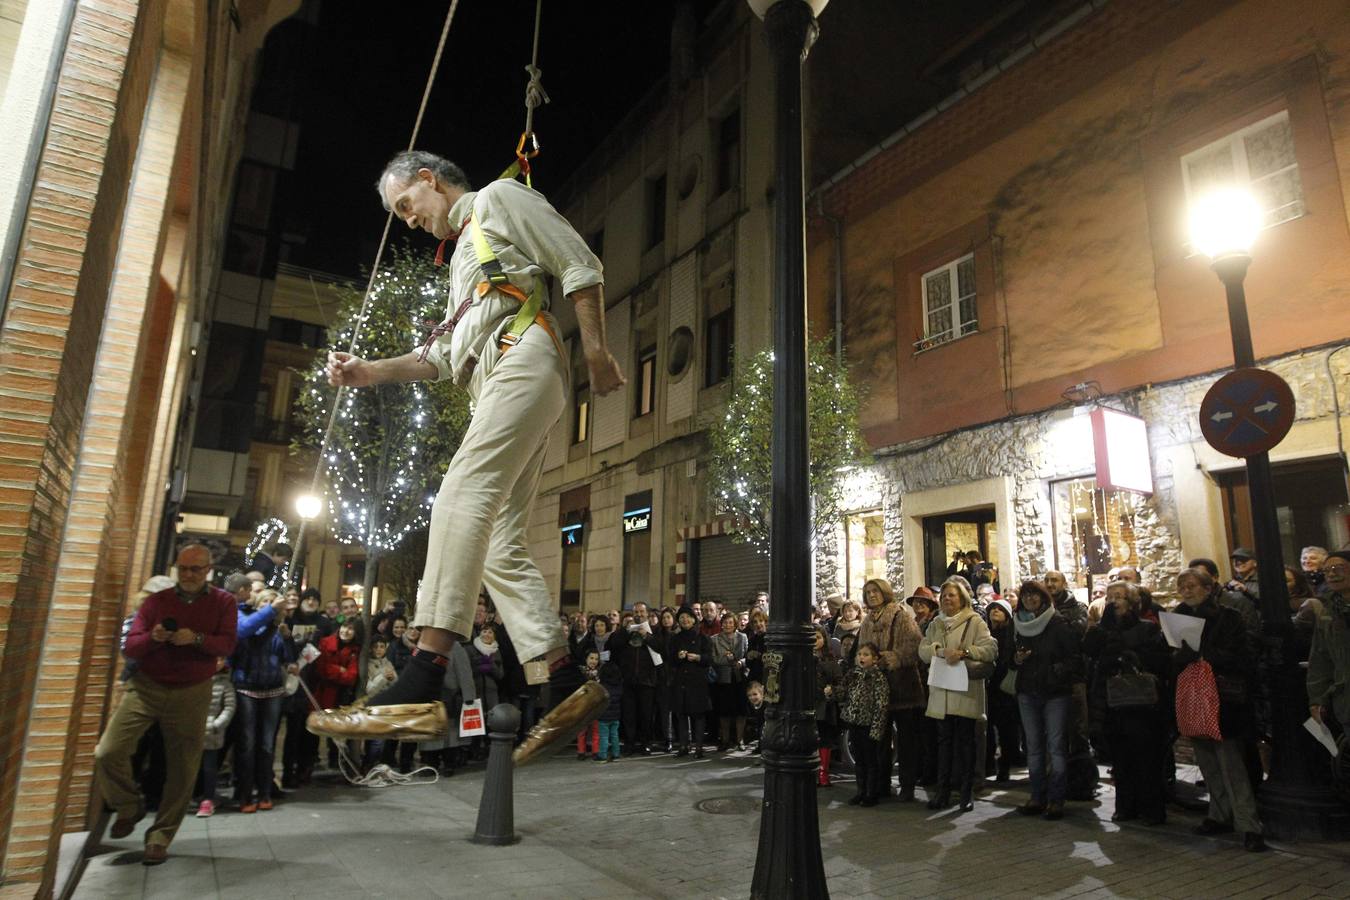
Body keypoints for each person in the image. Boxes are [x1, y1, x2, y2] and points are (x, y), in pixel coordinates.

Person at [309, 150, 624, 762]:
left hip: (521, 358)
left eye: (406, 204)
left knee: (460, 495)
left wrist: (598, 351)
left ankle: (423, 676)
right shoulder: (462, 260)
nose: (408, 219)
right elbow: (444, 358)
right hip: (496, 377)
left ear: (429, 180)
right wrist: (369, 372)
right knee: (500, 543)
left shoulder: (497, 201)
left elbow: (579, 262)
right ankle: (563, 680)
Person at [95, 545, 238, 865]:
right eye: (183, 568)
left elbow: (227, 643)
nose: (188, 575)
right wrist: (154, 637)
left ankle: (160, 837)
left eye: (196, 569)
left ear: (208, 571)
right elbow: (131, 646)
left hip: (192, 690)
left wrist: (196, 639)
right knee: (108, 751)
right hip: (146, 687)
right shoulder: (156, 602)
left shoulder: (223, 602)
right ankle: (128, 806)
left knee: (183, 766)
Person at [1174, 567, 1265, 851]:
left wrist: (1202, 654)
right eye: (1182, 587)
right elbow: (1173, 656)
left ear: (1207, 587)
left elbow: (1241, 656)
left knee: (1231, 763)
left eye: (1191, 586)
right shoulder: (1178, 617)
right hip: (1193, 694)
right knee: (1207, 761)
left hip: (1223, 698)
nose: (1187, 591)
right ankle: (1218, 813)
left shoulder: (1228, 617)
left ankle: (1249, 824)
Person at [1082, 581, 1171, 826]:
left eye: (1119, 597)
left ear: (1133, 603)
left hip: (1140, 704)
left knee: (1145, 757)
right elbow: (1089, 650)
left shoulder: (1147, 629)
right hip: (1111, 701)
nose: (1113, 601)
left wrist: (1132, 656)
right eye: (1110, 597)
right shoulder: (1102, 629)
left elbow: (1159, 660)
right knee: (1120, 758)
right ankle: (1126, 806)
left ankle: (1151, 807)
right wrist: (1104, 627)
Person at [918, 580, 997, 812]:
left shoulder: (974, 621)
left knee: (966, 744)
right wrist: (939, 651)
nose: (946, 599)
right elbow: (923, 650)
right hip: (942, 690)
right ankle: (942, 791)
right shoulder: (936, 624)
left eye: (951, 595)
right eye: (943, 596)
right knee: (944, 745)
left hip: (964, 691)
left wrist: (964, 652)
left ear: (961, 598)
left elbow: (991, 649)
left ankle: (966, 792)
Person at [1009, 579, 1082, 820]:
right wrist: (1017, 659)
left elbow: (1074, 657)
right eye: (1026, 595)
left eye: (1034, 595)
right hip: (1028, 691)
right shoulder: (1019, 623)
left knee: (1056, 746)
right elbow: (1008, 657)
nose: (1030, 599)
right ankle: (1037, 796)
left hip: (1054, 693)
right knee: (1034, 747)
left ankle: (1056, 799)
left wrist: (1054, 671)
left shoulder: (1057, 622)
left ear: (1043, 598)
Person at [858, 578, 925, 802]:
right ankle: (881, 784)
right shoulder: (867, 620)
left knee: (907, 740)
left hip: (902, 684)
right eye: (868, 592)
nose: (872, 595)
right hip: (877, 687)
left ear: (884, 592)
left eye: (875, 591)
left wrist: (894, 657)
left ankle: (907, 786)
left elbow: (915, 644)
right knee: (879, 738)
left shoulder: (900, 614)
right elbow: (861, 650)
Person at [230, 588, 297, 812]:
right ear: (258, 606)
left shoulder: (280, 629)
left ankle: (265, 791)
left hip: (272, 690)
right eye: (264, 602)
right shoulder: (248, 625)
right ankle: (245, 794)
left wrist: (288, 639)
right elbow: (248, 644)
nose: (269, 605)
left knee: (267, 745)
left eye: (272, 602)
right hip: (247, 689)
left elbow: (288, 659)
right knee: (248, 744)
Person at [839, 642, 890, 807]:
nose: (862, 657)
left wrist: (876, 728)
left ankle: (871, 793)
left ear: (875, 659)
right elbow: (843, 691)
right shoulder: (853, 674)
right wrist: (832, 691)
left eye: (866, 654)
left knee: (870, 760)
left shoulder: (878, 677)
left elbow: (881, 705)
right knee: (859, 759)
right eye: (860, 654)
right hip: (854, 722)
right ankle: (860, 791)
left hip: (868, 724)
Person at [1308, 550, 1350, 739]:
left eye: (1338, 568)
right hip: (1345, 700)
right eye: (1327, 570)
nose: (1332, 574)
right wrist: (1316, 699)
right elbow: (1320, 657)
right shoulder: (1328, 611)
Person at [985, 598, 1021, 782]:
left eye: (1000, 609)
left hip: (1005, 687)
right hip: (989, 687)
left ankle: (1005, 765)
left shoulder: (1011, 635)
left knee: (1006, 729)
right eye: (992, 609)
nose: (995, 611)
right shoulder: (986, 634)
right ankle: (989, 763)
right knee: (988, 728)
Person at [669, 606, 713, 757]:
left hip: (697, 681)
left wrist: (698, 657)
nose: (685, 620)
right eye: (681, 618)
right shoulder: (675, 639)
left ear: (694, 619)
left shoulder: (703, 638)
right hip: (680, 681)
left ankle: (699, 747)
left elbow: (709, 659)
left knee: (698, 715)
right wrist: (678, 657)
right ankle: (683, 746)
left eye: (688, 617)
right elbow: (670, 660)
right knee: (681, 714)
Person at [195, 658, 235, 818]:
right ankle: (192, 795)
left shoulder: (225, 685)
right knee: (191, 767)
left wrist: (217, 725)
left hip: (212, 734)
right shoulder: (196, 682)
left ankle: (208, 799)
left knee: (209, 768)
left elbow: (229, 707)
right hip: (194, 731)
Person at [710, 613, 749, 751]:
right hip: (723, 678)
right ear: (721, 624)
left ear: (735, 624)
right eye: (725, 622)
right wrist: (729, 659)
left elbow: (747, 656)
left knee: (741, 710)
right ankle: (725, 740)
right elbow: (714, 659)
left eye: (731, 622)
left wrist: (741, 662)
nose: (728, 625)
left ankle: (740, 740)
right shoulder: (714, 639)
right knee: (724, 711)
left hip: (740, 677)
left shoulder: (743, 637)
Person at [812, 625, 843, 786]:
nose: (815, 641)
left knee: (825, 739)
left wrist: (832, 690)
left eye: (817, 637)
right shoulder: (802, 658)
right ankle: (814, 771)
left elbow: (839, 682)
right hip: (809, 703)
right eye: (812, 638)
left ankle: (823, 773)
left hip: (824, 705)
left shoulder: (830, 660)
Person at [597, 659, 624, 762]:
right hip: (616, 715)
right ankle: (616, 754)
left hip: (604, 716)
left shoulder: (602, 686)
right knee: (615, 735)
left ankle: (602, 755)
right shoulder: (619, 685)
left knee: (603, 736)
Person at [576, 651, 602, 760]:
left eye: (596, 659)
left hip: (595, 704)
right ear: (586, 659)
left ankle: (595, 751)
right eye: (591, 658)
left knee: (596, 729)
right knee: (582, 730)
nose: (594, 661)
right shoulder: (580, 672)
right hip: (583, 704)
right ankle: (581, 752)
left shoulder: (600, 673)